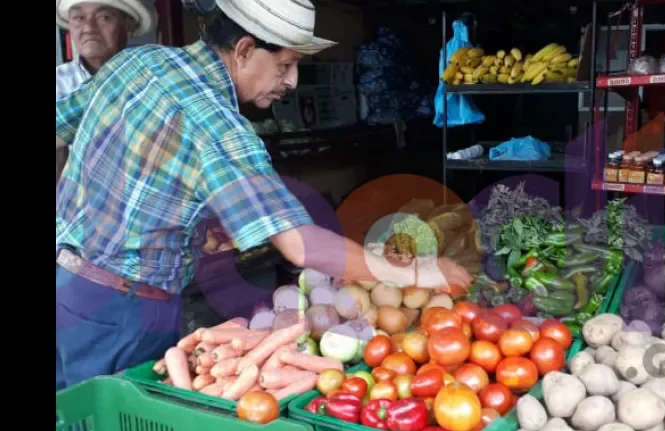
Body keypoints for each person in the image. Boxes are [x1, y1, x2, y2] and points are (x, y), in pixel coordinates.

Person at [55, 0, 472, 391]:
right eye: (286, 63)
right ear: (244, 48)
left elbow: (61, 124)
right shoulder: (216, 121)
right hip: (123, 311)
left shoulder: (138, 62)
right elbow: (299, 244)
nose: (291, 81)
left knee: (67, 427)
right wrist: (418, 273)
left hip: (67, 281)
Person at [55, 0, 157, 182]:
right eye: (78, 18)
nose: (88, 28)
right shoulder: (58, 84)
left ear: (128, 26)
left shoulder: (153, 80)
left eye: (104, 17)